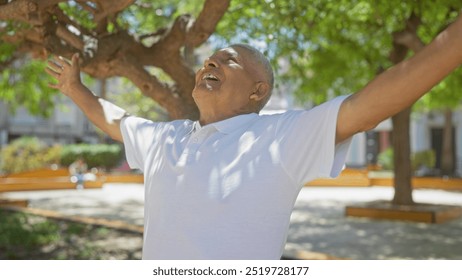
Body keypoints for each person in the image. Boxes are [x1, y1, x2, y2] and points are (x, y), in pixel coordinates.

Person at [46, 14, 462, 259]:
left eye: (226, 60)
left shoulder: (279, 136)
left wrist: (452, 42)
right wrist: (75, 89)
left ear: (258, 91)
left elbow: (370, 104)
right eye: (209, 59)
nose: (210, 62)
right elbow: (115, 119)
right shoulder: (165, 138)